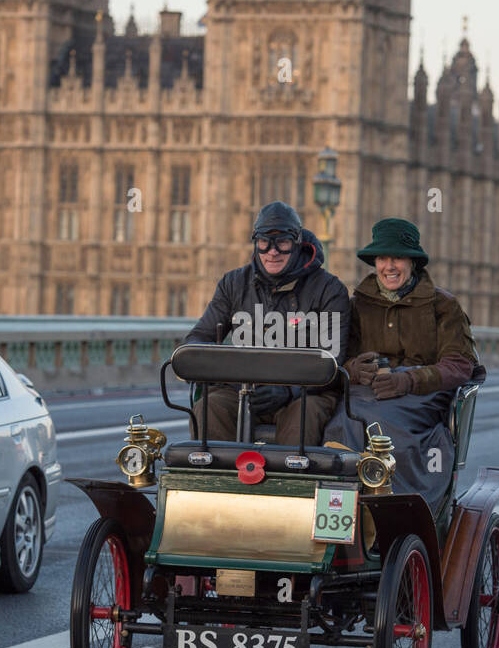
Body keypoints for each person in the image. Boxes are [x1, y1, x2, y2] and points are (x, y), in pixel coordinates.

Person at [323, 218, 483, 507]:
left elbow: (459, 365)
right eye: (383, 258)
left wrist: (408, 380)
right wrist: (355, 369)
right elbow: (338, 360)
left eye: (397, 258)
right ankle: (342, 504)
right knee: (343, 419)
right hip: (367, 393)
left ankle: (398, 505)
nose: (389, 266)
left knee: (378, 424)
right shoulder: (359, 303)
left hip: (422, 397)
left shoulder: (442, 305)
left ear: (413, 263)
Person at [182, 201, 350, 445]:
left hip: (303, 392)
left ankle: (291, 481)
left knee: (304, 414)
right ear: (255, 242)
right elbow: (197, 339)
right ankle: (217, 480)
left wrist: (288, 390)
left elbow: (333, 361)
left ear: (297, 242)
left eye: (281, 242)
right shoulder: (233, 283)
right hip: (242, 389)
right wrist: (223, 372)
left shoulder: (329, 289)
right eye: (264, 242)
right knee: (210, 406)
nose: (272, 251)